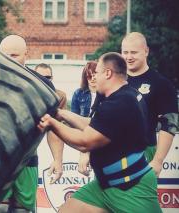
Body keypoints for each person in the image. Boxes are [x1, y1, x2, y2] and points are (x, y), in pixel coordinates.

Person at [38, 52, 161, 213]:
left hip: (132, 186)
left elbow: (84, 142)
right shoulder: (123, 95)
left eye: (96, 73)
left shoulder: (120, 103)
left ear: (108, 73)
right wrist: (61, 114)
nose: (94, 78)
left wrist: (51, 123)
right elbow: (96, 125)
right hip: (106, 185)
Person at [0, 34, 63, 213]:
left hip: (27, 160)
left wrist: (58, 160)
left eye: (14, 56)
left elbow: (53, 126)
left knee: (23, 210)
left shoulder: (43, 86)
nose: (9, 61)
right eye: (5, 56)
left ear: (27, 53)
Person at [121, 32, 178, 176]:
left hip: (143, 152)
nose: (128, 57)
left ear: (146, 51)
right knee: (102, 198)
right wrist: (86, 153)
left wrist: (158, 160)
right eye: (125, 52)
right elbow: (97, 119)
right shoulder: (112, 80)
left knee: (139, 198)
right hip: (110, 153)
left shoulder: (161, 83)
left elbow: (169, 123)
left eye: (134, 52)